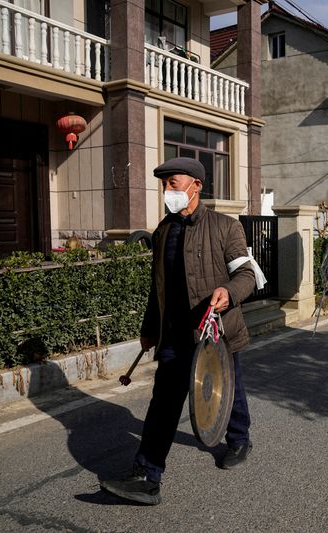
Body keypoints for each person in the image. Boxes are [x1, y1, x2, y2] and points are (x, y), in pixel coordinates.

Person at [100, 157, 257, 505]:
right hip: (174, 335)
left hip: (216, 331)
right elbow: (159, 289)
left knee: (228, 390)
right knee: (164, 402)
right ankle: (147, 474)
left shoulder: (226, 227)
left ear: (195, 186)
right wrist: (150, 329)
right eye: (165, 184)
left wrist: (228, 293)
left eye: (173, 183)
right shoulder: (163, 231)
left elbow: (246, 275)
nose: (167, 190)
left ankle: (239, 438)